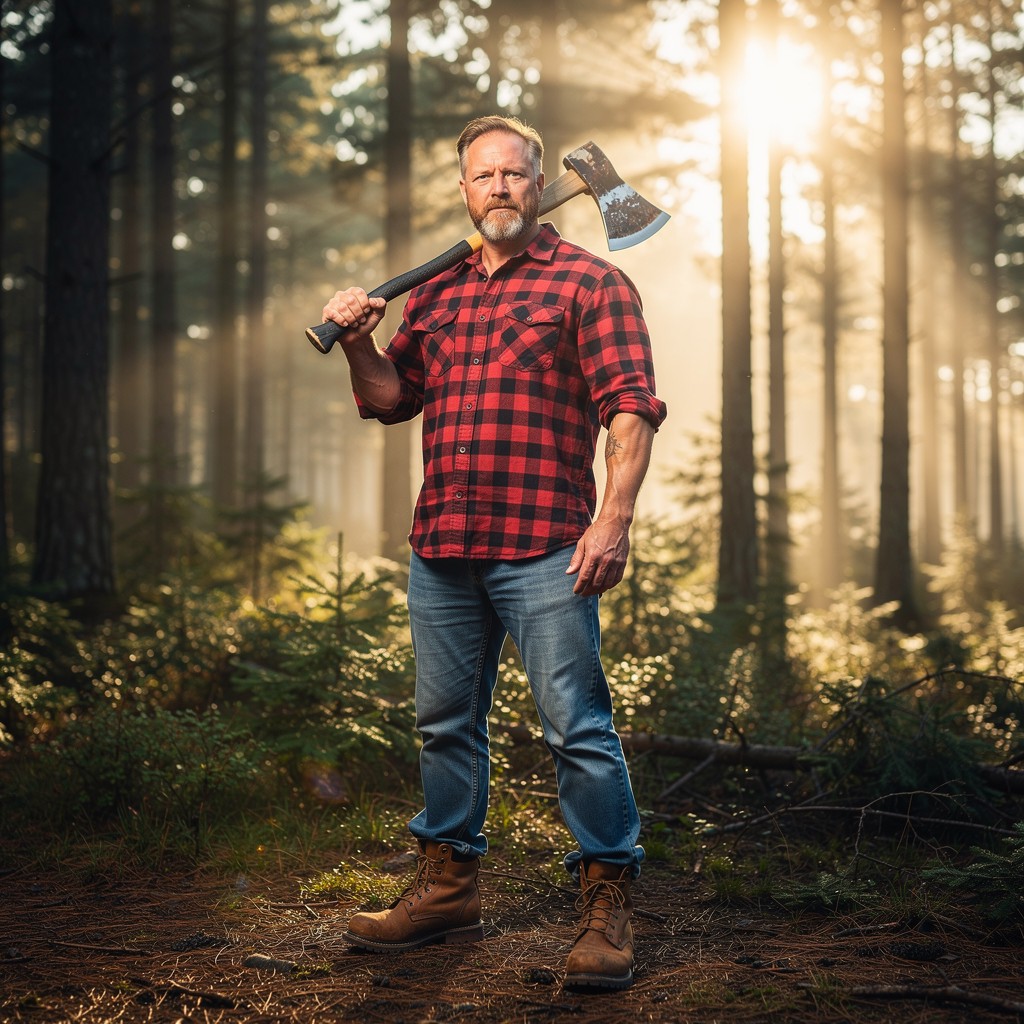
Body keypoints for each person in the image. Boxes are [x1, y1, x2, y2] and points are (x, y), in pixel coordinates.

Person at [320, 114, 666, 990]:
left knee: (577, 729)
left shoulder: (592, 284)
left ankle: (607, 901)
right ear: (464, 191)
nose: (500, 188)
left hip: (547, 546)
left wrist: (613, 519)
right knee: (444, 725)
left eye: (516, 173)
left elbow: (629, 406)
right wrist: (359, 339)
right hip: (443, 546)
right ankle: (447, 889)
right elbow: (393, 399)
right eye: (484, 176)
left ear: (543, 183)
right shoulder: (437, 294)